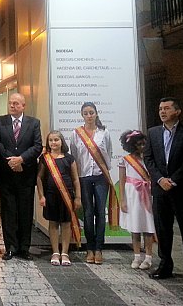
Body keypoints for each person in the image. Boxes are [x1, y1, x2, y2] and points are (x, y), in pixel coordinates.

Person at [143, 97, 183, 288]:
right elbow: (148, 159)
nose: (162, 112)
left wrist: (173, 180)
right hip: (160, 189)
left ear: (177, 111)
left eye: (167, 108)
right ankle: (165, 265)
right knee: (163, 229)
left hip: (182, 189)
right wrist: (160, 179)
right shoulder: (153, 132)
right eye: (160, 109)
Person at [0, 92, 42, 260]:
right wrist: (11, 160)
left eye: (16, 103)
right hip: (6, 174)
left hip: (26, 174)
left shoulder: (34, 123)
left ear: (23, 106)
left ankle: (24, 248)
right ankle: (11, 247)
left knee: (25, 212)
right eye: (10, 103)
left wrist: (21, 159)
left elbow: (37, 146)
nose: (12, 105)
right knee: (8, 212)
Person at [69, 101, 115, 265]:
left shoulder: (104, 132)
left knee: (100, 213)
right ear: (82, 115)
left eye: (91, 112)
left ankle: (99, 248)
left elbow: (109, 152)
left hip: (100, 176)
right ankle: (89, 248)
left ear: (96, 113)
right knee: (88, 213)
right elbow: (74, 155)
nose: (89, 116)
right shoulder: (76, 133)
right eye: (86, 113)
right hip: (84, 177)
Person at [36, 131, 81, 266]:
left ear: (62, 141)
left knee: (66, 224)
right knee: (54, 223)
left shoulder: (69, 158)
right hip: (51, 196)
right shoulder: (45, 158)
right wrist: (41, 196)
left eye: (56, 140)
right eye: (51, 140)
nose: (53, 142)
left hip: (67, 196)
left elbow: (75, 179)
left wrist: (78, 197)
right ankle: (55, 252)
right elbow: (39, 178)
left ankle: (65, 252)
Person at [118, 130, 155, 270]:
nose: (142, 147)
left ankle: (149, 257)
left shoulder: (149, 159)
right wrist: (122, 200)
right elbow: (122, 181)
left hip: (147, 193)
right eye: (139, 144)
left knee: (148, 226)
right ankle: (137, 256)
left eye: (144, 144)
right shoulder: (125, 160)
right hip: (132, 194)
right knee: (135, 227)